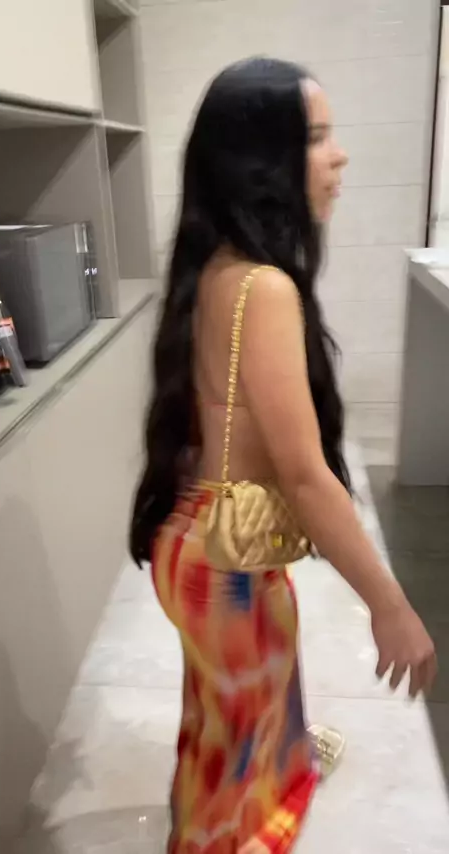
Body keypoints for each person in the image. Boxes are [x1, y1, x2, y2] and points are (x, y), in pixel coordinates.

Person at [130, 57, 437, 854]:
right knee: (239, 767)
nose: (340, 155)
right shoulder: (265, 287)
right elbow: (304, 476)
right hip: (225, 572)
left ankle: (274, 764)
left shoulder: (216, 268)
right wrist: (390, 605)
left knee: (223, 717)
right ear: (262, 161)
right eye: (318, 137)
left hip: (191, 545)